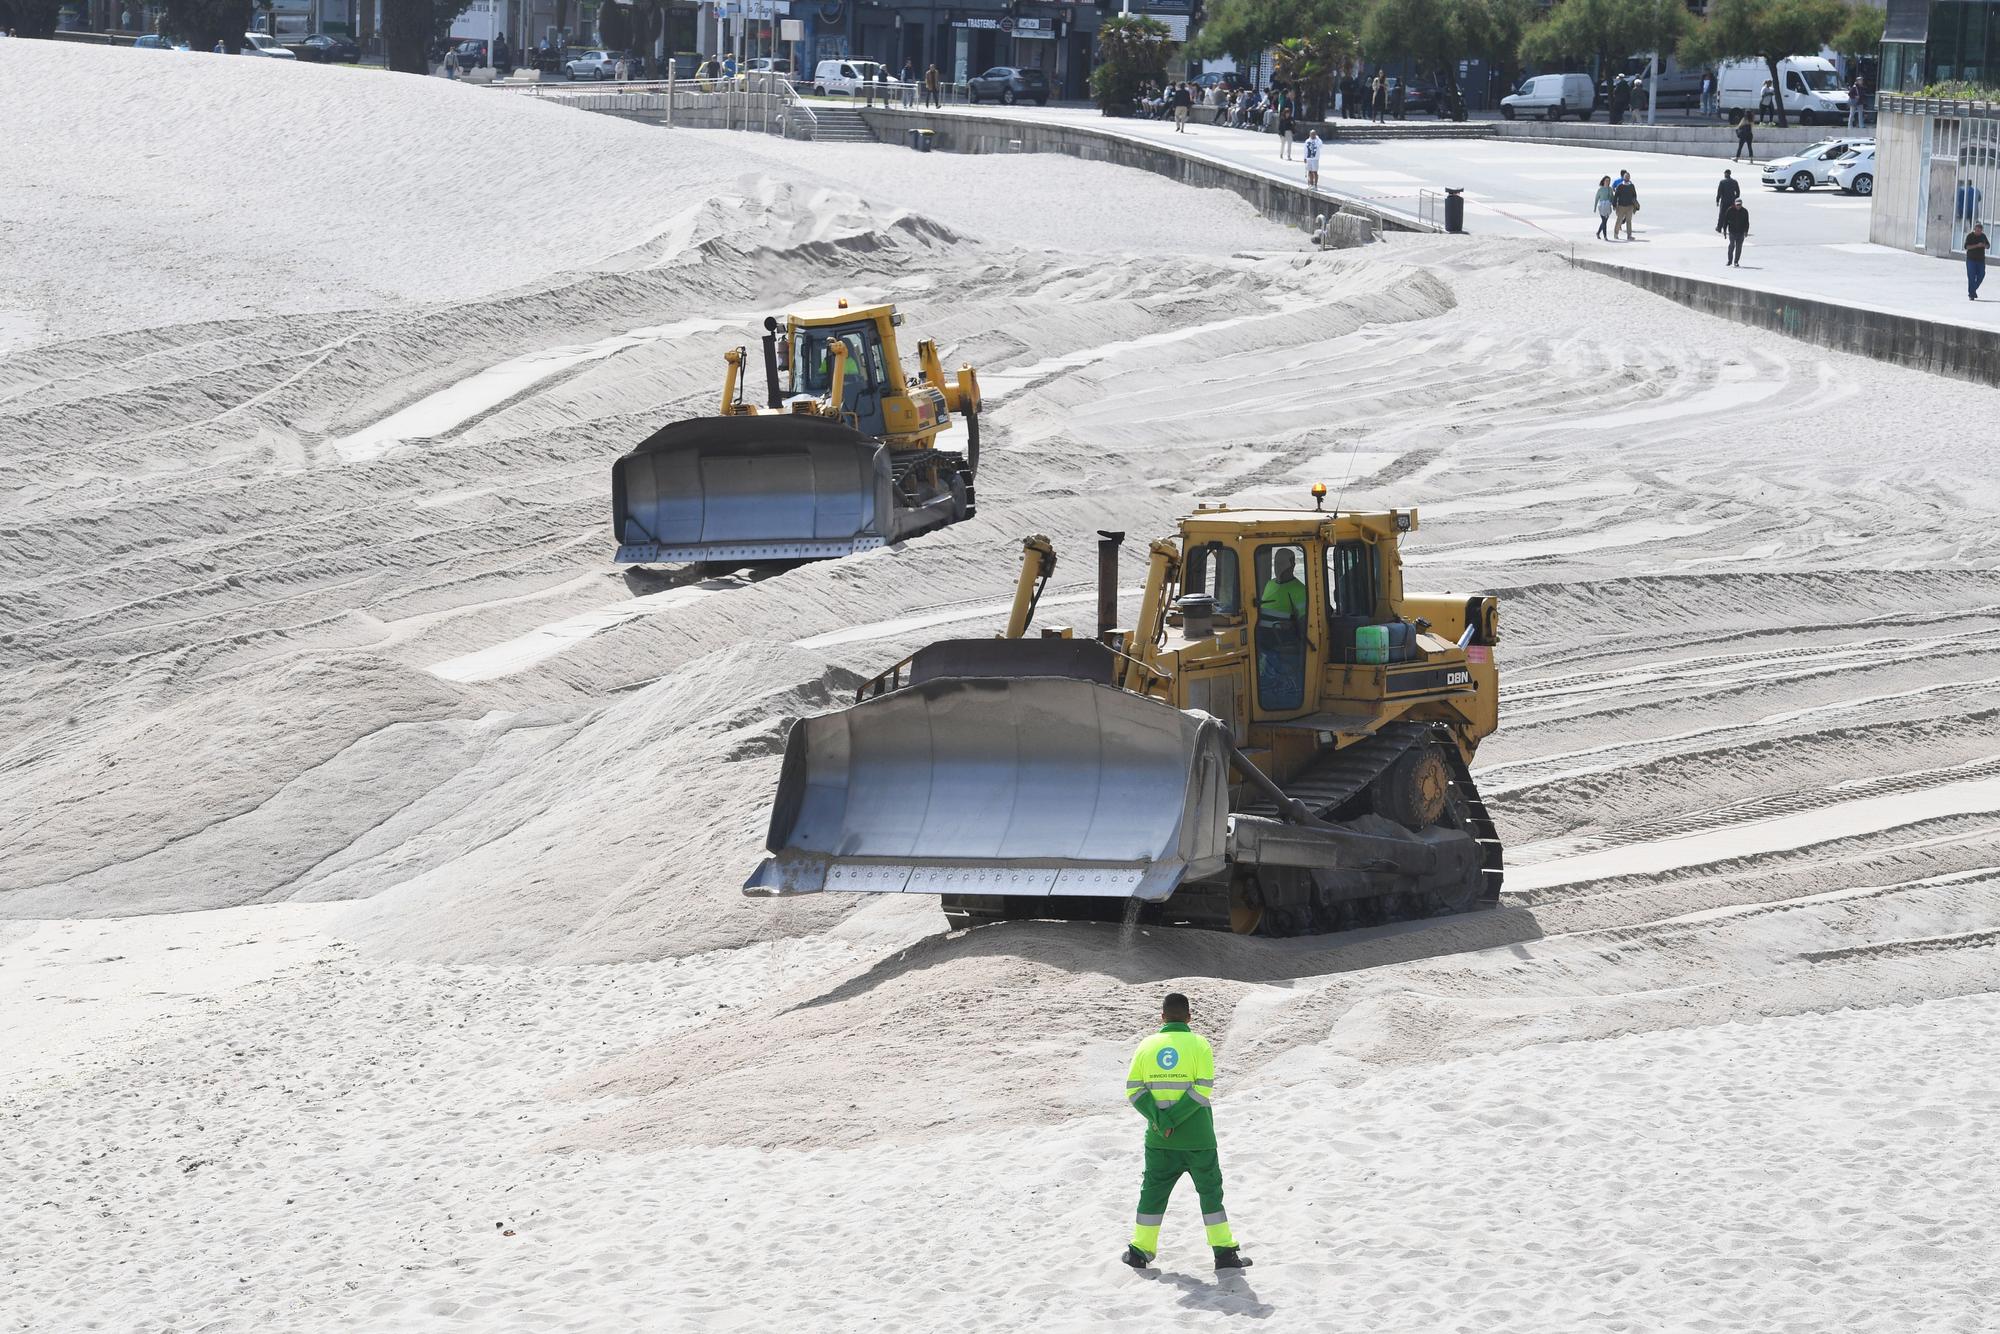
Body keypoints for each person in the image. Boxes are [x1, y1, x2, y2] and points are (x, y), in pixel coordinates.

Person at [1122, 993, 1249, 1274]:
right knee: (1211, 1195)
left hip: (1160, 1139)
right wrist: (1176, 1119)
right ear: (1189, 1017)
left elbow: (1133, 1090)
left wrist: (1161, 1120)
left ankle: (1139, 1252)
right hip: (1198, 1139)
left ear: (1162, 1017)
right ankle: (1225, 1254)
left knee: (1152, 1195)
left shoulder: (1147, 1045)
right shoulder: (1199, 1044)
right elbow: (1203, 1088)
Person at [1611, 171, 1638, 240]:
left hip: (1630, 207)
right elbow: (1616, 196)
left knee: (1629, 221)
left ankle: (1629, 235)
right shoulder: (1620, 186)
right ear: (1623, 177)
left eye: (1628, 176)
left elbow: (1634, 195)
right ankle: (1616, 234)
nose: (1627, 177)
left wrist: (1634, 204)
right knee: (1619, 220)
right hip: (1621, 206)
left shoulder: (1631, 186)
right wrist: (1614, 205)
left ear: (1630, 177)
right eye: (1626, 176)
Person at [1723, 198, 1750, 266]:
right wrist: (1724, 231)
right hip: (1732, 231)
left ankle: (1736, 261)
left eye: (1740, 204)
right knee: (1732, 246)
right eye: (1737, 204)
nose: (1738, 206)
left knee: (1739, 247)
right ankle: (1729, 261)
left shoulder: (1745, 211)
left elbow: (1747, 222)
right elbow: (1725, 221)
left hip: (1741, 232)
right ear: (1735, 204)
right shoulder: (1730, 210)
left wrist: (1746, 231)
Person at [1968, 222, 1989, 300]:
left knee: (1982, 275)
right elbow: (1967, 247)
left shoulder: (1983, 236)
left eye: (1980, 231)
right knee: (1971, 277)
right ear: (1974, 229)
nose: (1978, 232)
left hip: (1981, 260)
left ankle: (1972, 291)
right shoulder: (1970, 236)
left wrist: (1984, 245)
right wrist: (1977, 245)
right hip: (1971, 260)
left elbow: (1988, 246)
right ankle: (1971, 294)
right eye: (1977, 230)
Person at [1715, 168, 1741, 233]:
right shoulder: (1734, 182)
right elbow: (1738, 192)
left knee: (1722, 215)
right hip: (1732, 201)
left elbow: (1719, 192)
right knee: (1732, 216)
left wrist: (1717, 200)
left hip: (1724, 201)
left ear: (1726, 174)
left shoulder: (1722, 182)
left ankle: (1719, 228)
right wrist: (1735, 198)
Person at [1594, 175, 1614, 240]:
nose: (1607, 182)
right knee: (1604, 221)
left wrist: (1614, 205)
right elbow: (1596, 198)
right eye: (1606, 180)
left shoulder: (1610, 189)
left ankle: (1598, 233)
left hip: (1608, 206)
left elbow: (1612, 197)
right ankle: (1605, 236)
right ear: (1603, 181)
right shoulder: (1600, 189)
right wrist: (1594, 208)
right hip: (1602, 206)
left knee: (1604, 222)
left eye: (1609, 181)